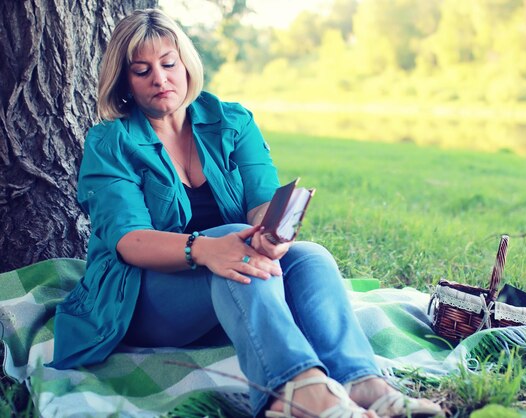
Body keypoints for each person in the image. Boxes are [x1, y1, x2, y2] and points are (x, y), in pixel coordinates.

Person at [50, 8, 442, 418]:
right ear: (125, 81)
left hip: (230, 283)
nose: (160, 79)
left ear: (187, 65)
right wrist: (206, 248)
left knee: (310, 256)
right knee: (235, 242)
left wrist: (267, 234)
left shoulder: (231, 120)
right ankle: (296, 390)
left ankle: (363, 384)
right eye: (142, 70)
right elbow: (129, 241)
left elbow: (261, 204)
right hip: (140, 296)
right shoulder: (110, 141)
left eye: (169, 64)